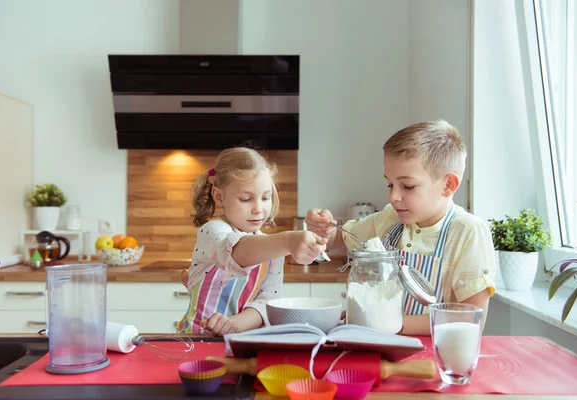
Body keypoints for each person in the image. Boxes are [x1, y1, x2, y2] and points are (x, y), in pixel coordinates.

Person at [306, 120, 496, 335]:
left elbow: (471, 318)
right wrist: (324, 230)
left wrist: (384, 323)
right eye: (390, 184)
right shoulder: (390, 218)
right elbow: (339, 240)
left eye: (408, 186)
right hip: (380, 344)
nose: (394, 196)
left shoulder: (468, 232)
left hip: (429, 356)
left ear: (448, 185)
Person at [179, 147, 327, 336]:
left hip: (244, 341)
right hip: (198, 341)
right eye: (246, 199)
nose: (258, 209)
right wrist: (289, 240)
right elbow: (236, 251)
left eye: (266, 197)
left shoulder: (273, 249)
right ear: (219, 197)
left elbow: (266, 301)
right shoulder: (212, 232)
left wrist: (233, 324)